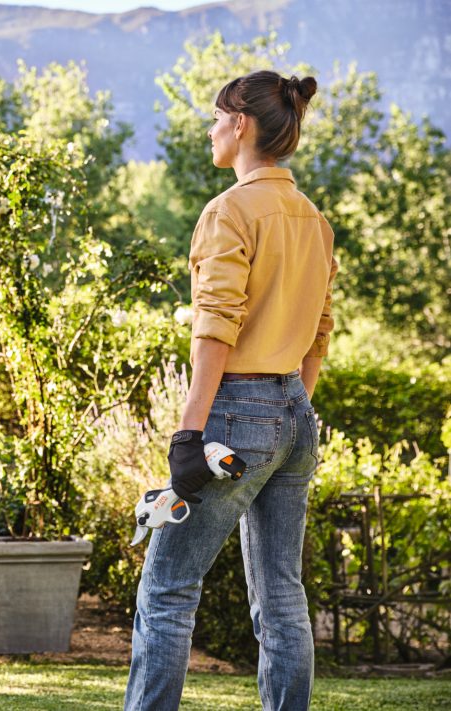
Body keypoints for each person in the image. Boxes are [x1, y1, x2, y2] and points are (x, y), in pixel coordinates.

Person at [124, 70, 337, 711]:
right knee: (282, 595)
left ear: (240, 124)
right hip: (296, 414)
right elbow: (319, 334)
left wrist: (190, 433)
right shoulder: (313, 220)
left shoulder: (229, 211)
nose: (210, 129)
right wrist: (286, 406)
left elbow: (215, 329)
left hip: (235, 414)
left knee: (167, 590)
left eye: (216, 117)